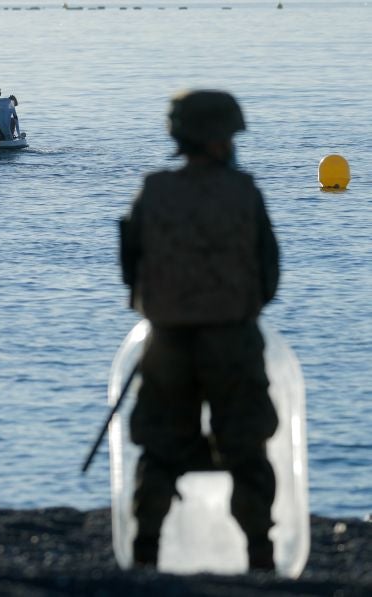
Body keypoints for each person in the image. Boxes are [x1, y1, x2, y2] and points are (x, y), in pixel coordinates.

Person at [119, 90, 280, 571]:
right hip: (232, 340)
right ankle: (260, 554)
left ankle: (146, 551)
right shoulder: (244, 192)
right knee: (247, 448)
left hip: (166, 340)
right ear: (218, 140)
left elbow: (132, 269)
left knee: (162, 448)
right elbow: (269, 273)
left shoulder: (153, 190)